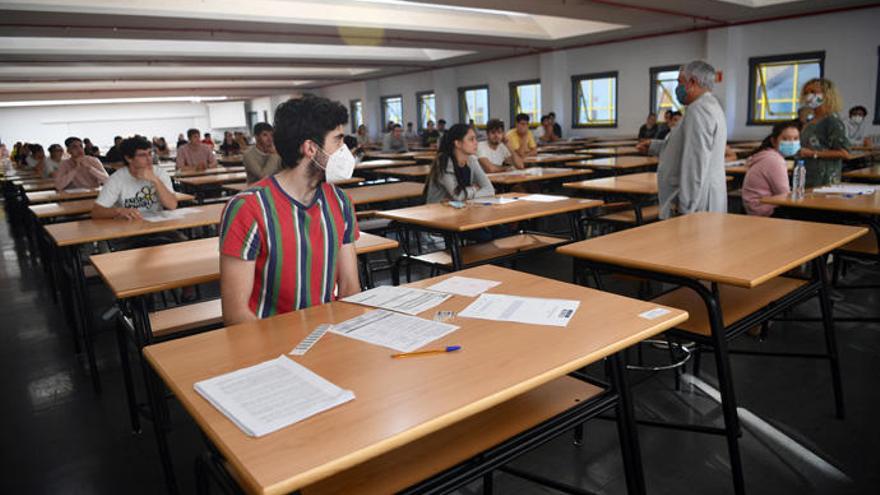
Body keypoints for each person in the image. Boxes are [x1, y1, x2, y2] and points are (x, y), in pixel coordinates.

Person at [219, 95, 360, 324]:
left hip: (327, 335)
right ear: (310, 148)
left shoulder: (340, 201)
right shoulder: (247, 208)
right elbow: (237, 314)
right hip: (268, 343)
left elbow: (349, 287)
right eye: (337, 140)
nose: (345, 150)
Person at [637, 61, 727, 219]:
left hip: (696, 202)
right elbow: (685, 146)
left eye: (679, 82)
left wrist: (686, 207)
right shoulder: (709, 106)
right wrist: (654, 146)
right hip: (702, 198)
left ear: (692, 82)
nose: (677, 88)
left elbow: (695, 162)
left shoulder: (699, 110)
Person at [92, 135, 178, 221]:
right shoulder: (116, 178)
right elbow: (96, 212)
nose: (149, 159)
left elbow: (172, 205)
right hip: (129, 226)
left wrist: (155, 180)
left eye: (150, 153)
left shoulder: (159, 173)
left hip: (158, 225)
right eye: (142, 155)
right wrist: (119, 211)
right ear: (129, 158)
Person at [797, 78, 849, 187]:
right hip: (807, 175)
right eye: (806, 93)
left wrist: (813, 154)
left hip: (824, 179)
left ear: (827, 95)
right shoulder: (810, 121)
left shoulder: (832, 121)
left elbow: (844, 153)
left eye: (813, 92)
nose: (808, 96)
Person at [425, 123, 495, 203]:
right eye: (471, 139)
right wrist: (475, 189)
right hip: (437, 212)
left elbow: (490, 190)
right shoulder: (444, 162)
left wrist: (466, 195)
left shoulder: (472, 160)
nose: (476, 143)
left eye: (476, 139)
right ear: (458, 143)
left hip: (460, 208)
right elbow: (458, 196)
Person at [742, 121, 800, 216]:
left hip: (756, 207)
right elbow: (784, 194)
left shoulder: (769, 155)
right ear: (774, 141)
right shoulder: (774, 160)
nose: (792, 143)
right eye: (785, 139)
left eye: (796, 138)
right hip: (763, 210)